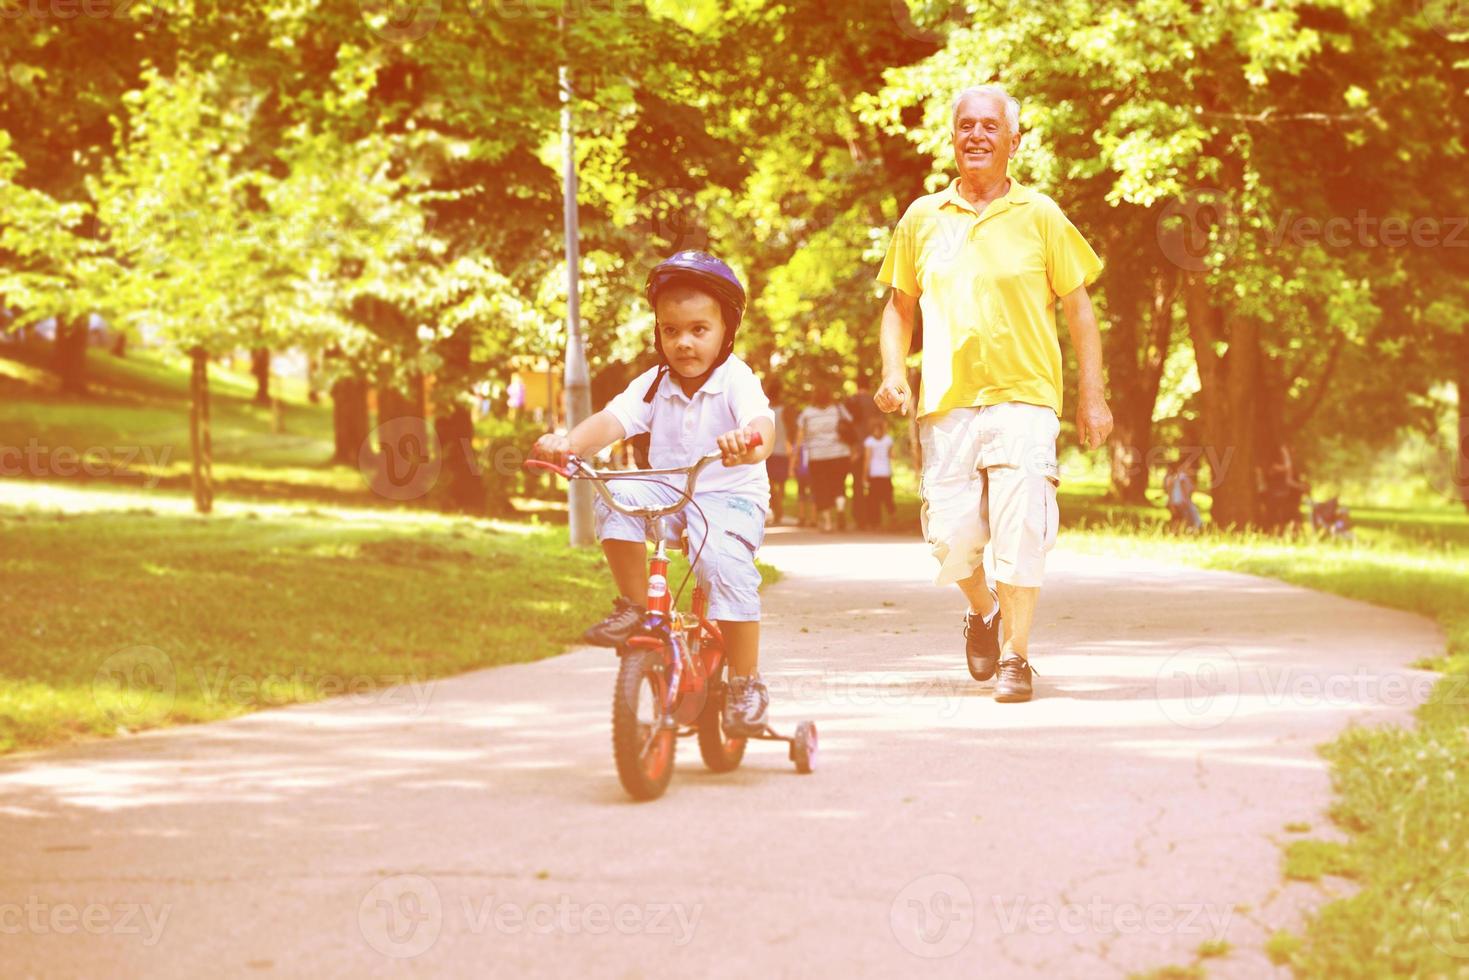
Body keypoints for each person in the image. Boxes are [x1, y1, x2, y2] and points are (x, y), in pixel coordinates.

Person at [874, 83, 1112, 703]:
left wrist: (1093, 397)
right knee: (949, 538)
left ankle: (1016, 656)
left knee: (1021, 530)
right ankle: (982, 613)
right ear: (953, 138)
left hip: (1026, 398)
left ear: (1014, 140)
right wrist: (895, 373)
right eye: (966, 126)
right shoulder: (922, 218)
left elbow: (1079, 311)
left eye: (989, 126)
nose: (976, 135)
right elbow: (899, 309)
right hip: (947, 403)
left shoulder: (1042, 215)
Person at [530, 250, 777, 735]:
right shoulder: (653, 384)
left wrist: (747, 443)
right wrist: (568, 443)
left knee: (723, 567)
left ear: (726, 330)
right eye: (670, 330)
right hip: (671, 491)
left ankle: (747, 682)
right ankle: (637, 606)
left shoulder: (736, 380)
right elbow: (613, 421)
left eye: (698, 330)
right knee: (616, 494)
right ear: (658, 332)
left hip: (730, 497)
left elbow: (762, 426)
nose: (683, 342)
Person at [793, 381, 854, 533]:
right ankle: (840, 510)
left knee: (821, 488)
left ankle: (827, 523)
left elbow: (800, 436)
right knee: (839, 484)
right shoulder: (838, 409)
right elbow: (850, 423)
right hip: (840, 454)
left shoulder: (807, 413)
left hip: (817, 456)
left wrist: (795, 456)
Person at [765, 378, 794, 526]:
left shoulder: (764, 408)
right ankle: (778, 509)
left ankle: (775, 508)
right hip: (782, 450)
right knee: (781, 483)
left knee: (770, 483)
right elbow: (790, 430)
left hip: (768, 451)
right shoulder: (785, 409)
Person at [862, 418, 896, 530]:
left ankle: (876, 522)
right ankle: (889, 520)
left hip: (876, 473)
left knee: (875, 500)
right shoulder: (888, 440)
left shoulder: (870, 441)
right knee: (886, 498)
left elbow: (867, 459)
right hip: (883, 472)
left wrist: (864, 476)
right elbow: (892, 455)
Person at [1163, 458, 1203, 532]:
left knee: (1179, 519)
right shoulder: (1181, 478)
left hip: (1178, 502)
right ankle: (1175, 532)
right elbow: (1184, 494)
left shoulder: (1179, 477)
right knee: (1181, 519)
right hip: (1180, 502)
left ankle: (1176, 532)